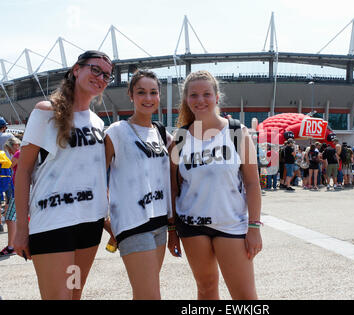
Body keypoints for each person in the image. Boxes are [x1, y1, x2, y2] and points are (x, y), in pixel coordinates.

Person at [14, 50, 112, 300]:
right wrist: (21, 229)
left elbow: (96, 175)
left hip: (89, 224)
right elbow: (23, 170)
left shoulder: (97, 122)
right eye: (95, 69)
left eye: (107, 75)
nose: (101, 77)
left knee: (75, 294)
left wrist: (108, 218)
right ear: (76, 69)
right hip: (52, 222)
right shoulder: (45, 111)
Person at [168, 70, 262, 300]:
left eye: (206, 94)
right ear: (186, 100)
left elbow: (252, 182)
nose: (200, 100)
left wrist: (255, 226)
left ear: (217, 97)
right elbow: (172, 187)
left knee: (244, 296)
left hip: (231, 224)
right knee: (206, 288)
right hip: (192, 225)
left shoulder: (236, 132)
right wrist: (172, 229)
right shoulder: (180, 138)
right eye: (194, 95)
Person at [103, 70, 172, 299]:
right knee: (150, 295)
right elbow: (96, 178)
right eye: (141, 92)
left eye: (153, 92)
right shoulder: (116, 132)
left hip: (159, 222)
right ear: (130, 95)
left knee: (145, 292)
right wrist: (106, 220)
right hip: (132, 223)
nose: (148, 98)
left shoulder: (162, 133)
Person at [0, 137, 21, 256]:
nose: (9, 152)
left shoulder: (18, 154)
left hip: (18, 191)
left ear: (14, 145)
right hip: (17, 190)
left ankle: (11, 246)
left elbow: (8, 166)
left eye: (9, 149)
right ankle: (12, 245)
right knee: (12, 218)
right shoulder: (21, 153)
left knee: (9, 218)